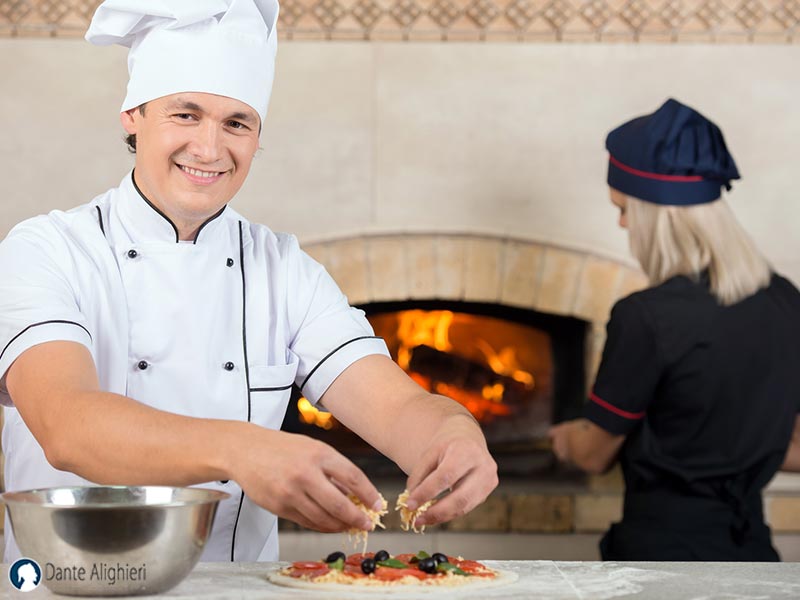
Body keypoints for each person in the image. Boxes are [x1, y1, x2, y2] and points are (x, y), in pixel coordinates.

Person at [0, 0, 497, 562]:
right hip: (72, 588)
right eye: (185, 115)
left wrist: (455, 434)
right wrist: (243, 450)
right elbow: (67, 426)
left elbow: (399, 408)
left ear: (257, 137)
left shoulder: (283, 269)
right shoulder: (46, 251)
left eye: (236, 123)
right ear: (132, 116)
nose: (210, 149)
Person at [548, 98, 800, 561]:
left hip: (659, 560)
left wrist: (564, 438)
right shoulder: (786, 301)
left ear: (657, 216)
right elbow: (794, 447)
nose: (622, 223)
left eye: (624, 209)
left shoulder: (645, 316)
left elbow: (594, 455)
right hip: (752, 555)